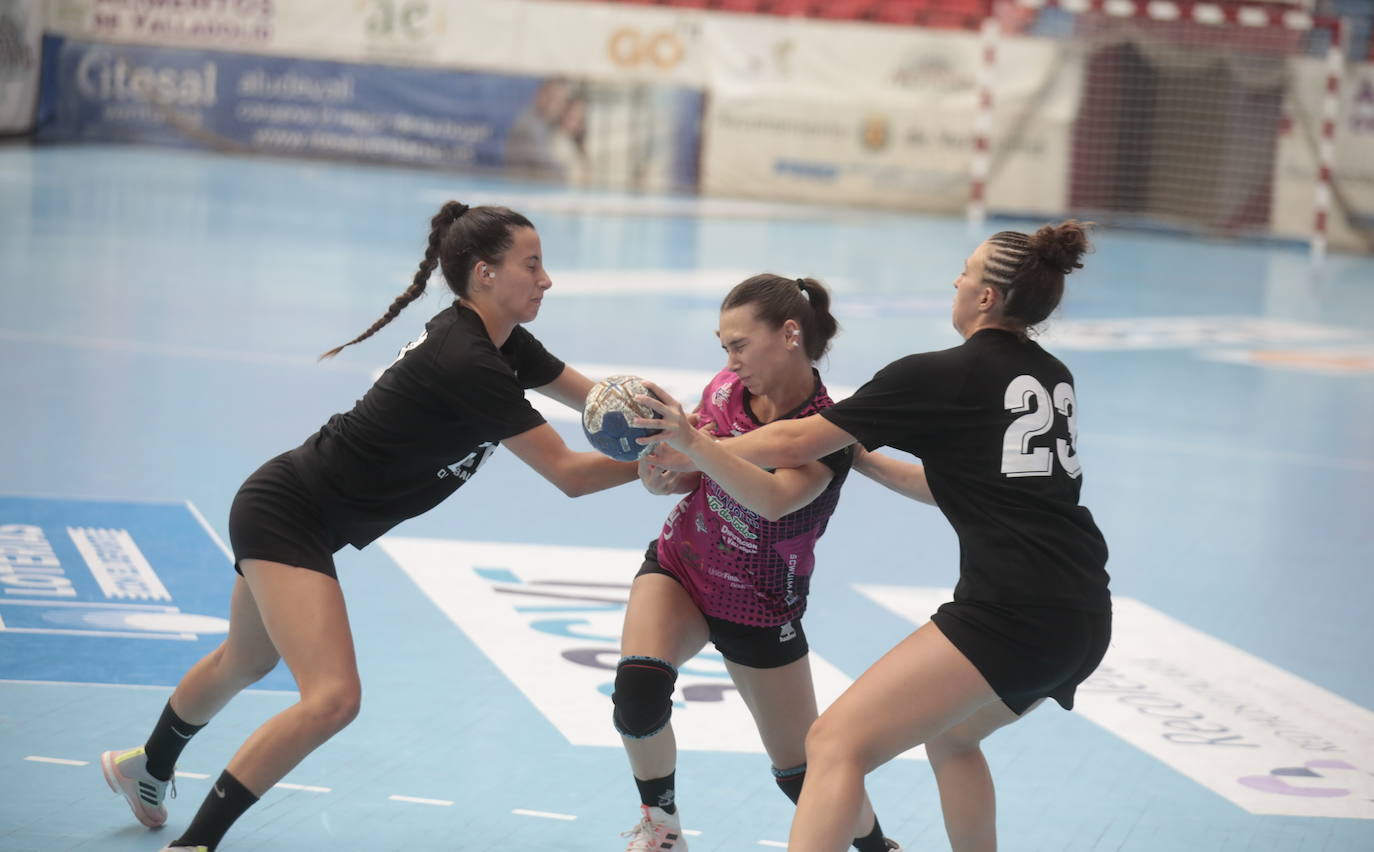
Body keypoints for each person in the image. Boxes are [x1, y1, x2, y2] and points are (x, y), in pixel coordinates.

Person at [99, 201, 645, 852]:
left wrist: (698, 432)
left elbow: (600, 404)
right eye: (532, 265)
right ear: (485, 274)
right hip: (289, 512)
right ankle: (195, 844)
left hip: (294, 507)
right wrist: (666, 463)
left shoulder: (503, 344)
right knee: (332, 699)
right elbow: (569, 473)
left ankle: (145, 767)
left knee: (245, 658)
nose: (546, 279)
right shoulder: (467, 360)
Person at [637, 222, 1112, 852]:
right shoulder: (1052, 377)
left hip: (1012, 611)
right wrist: (862, 457)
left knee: (833, 745)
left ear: (988, 297)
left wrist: (694, 444)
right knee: (954, 737)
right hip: (1083, 614)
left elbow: (794, 441)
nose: (956, 281)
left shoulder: (941, 374)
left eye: (966, 272)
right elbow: (958, 487)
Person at [618, 275, 899, 852]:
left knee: (801, 775)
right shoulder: (725, 390)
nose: (730, 360)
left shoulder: (829, 427)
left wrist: (694, 445)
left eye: (739, 345)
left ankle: (876, 848)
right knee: (638, 691)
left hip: (759, 603)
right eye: (724, 347)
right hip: (684, 566)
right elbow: (686, 474)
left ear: (789, 334)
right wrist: (660, 472)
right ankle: (662, 827)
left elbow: (773, 499)